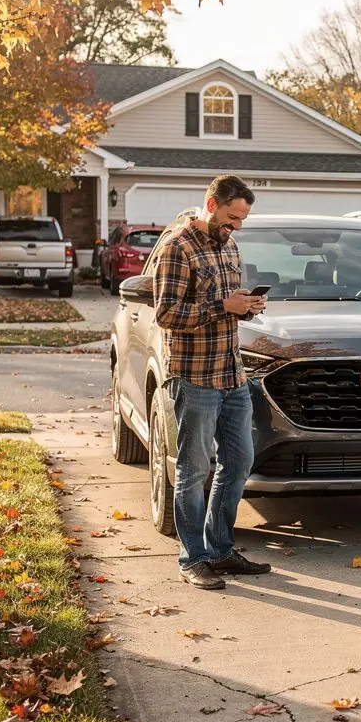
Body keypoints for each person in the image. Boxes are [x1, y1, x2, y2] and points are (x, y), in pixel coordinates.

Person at [153, 174, 273, 590]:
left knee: (239, 462)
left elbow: (228, 307)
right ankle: (192, 559)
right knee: (193, 469)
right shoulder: (177, 248)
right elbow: (166, 314)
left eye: (241, 220)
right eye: (231, 216)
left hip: (232, 374)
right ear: (211, 202)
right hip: (194, 377)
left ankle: (220, 550)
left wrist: (247, 308)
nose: (235, 226)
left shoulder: (230, 247)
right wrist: (223, 305)